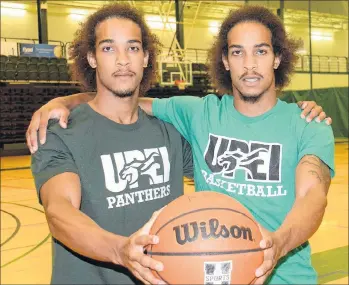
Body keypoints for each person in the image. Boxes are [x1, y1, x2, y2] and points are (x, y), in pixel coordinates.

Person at [27, 5, 334, 285]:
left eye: (261, 52)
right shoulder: (197, 114)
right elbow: (60, 210)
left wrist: (279, 243)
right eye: (238, 52)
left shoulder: (308, 123)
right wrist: (65, 100)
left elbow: (313, 196)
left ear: (278, 58)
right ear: (225, 61)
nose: (250, 64)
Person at [30, 3, 193, 285]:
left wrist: (296, 114)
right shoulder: (61, 131)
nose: (122, 60)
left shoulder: (172, 132)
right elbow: (59, 211)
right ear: (91, 58)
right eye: (108, 48)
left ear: (145, 57)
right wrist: (120, 250)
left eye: (132, 48)